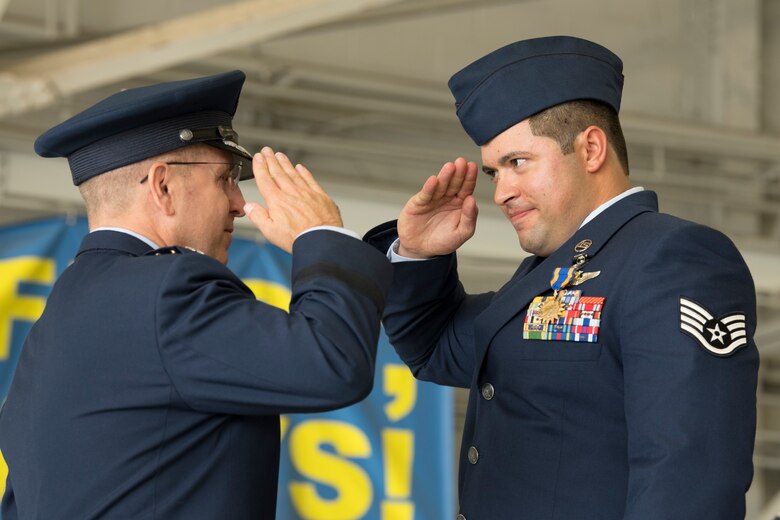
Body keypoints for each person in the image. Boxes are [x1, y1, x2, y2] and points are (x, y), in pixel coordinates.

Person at [365, 35, 759, 519]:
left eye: (517, 163)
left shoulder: (672, 258)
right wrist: (419, 255)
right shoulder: (549, 273)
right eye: (494, 173)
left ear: (591, 148)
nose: (502, 192)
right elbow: (436, 349)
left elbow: (690, 472)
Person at [0, 70, 392, 519]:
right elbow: (331, 363)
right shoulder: (167, 289)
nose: (239, 204)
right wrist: (322, 235)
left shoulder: (51, 330)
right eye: (226, 179)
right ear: (164, 187)